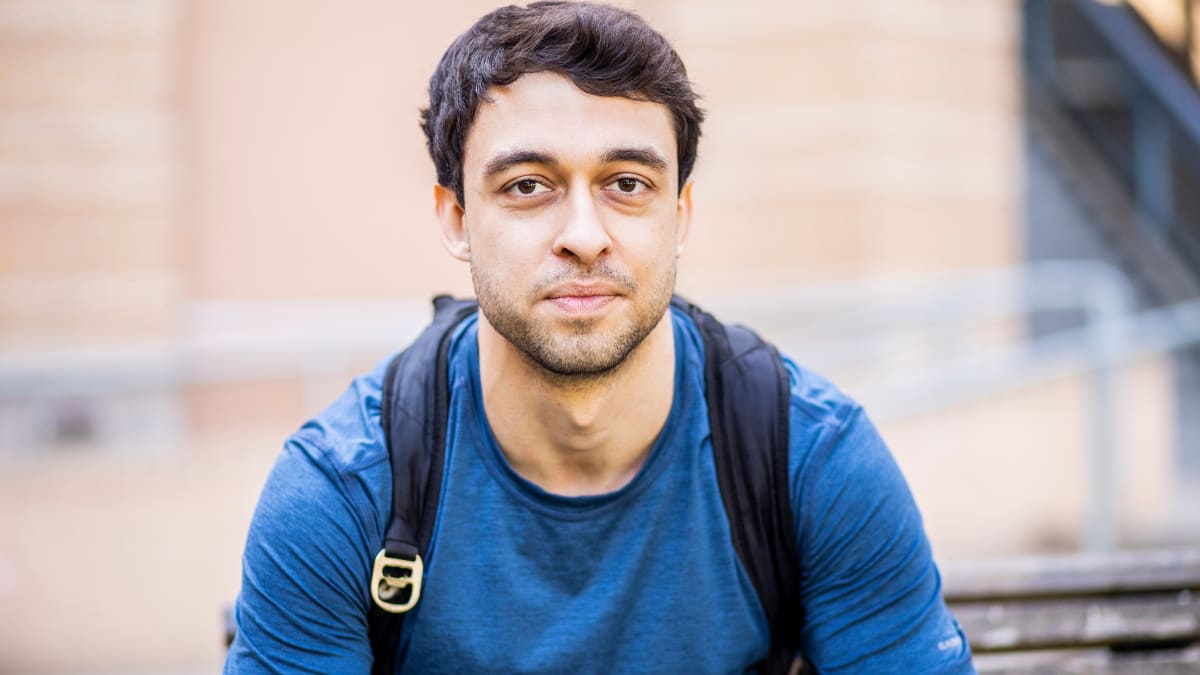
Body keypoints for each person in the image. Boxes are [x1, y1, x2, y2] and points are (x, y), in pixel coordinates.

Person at [225, 2, 975, 673]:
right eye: (527, 186)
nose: (584, 236)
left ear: (678, 215)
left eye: (627, 183)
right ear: (455, 219)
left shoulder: (807, 459)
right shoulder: (345, 492)